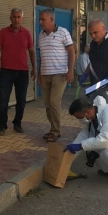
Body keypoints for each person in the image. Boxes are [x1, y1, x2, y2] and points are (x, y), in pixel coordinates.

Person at [0, 8, 36, 136]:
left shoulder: (27, 33)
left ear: (22, 18)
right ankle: (2, 125)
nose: (16, 19)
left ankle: (17, 123)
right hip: (6, 72)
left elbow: (32, 52)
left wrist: (34, 68)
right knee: (3, 100)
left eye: (18, 17)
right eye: (14, 17)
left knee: (21, 100)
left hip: (22, 72)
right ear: (10, 18)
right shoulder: (3, 32)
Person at [37, 8, 75, 142]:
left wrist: (70, 70)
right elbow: (41, 56)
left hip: (60, 74)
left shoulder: (63, 32)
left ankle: (55, 131)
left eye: (43, 19)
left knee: (54, 102)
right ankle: (53, 129)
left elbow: (71, 51)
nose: (40, 22)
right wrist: (39, 73)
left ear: (52, 20)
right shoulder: (40, 35)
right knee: (47, 104)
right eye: (40, 19)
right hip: (45, 74)